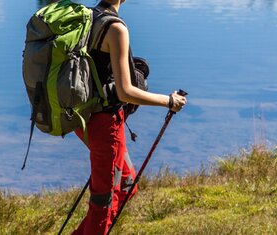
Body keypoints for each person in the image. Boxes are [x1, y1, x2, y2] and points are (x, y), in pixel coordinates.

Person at [72, 0, 187, 234]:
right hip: (105, 127)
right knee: (103, 203)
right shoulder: (115, 29)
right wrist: (169, 101)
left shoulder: (87, 17)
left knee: (126, 185)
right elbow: (126, 92)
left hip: (82, 118)